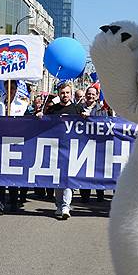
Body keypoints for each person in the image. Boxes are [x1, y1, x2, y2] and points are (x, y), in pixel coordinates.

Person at [45, 82, 83, 220]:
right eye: (62, 93)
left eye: (67, 92)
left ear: (71, 93)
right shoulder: (53, 109)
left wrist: (86, 116)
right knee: (58, 179)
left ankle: (66, 206)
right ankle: (59, 205)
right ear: (59, 94)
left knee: (67, 178)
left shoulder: (77, 109)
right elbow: (44, 123)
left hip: (71, 148)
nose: (65, 95)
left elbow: (86, 125)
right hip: (55, 148)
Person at [79, 85, 108, 205]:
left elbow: (105, 125)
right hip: (82, 144)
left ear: (96, 97)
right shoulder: (78, 109)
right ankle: (84, 195)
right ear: (85, 95)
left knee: (97, 171)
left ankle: (100, 195)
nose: (90, 96)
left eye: (93, 94)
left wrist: (91, 117)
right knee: (83, 170)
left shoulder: (102, 111)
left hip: (97, 145)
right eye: (88, 94)